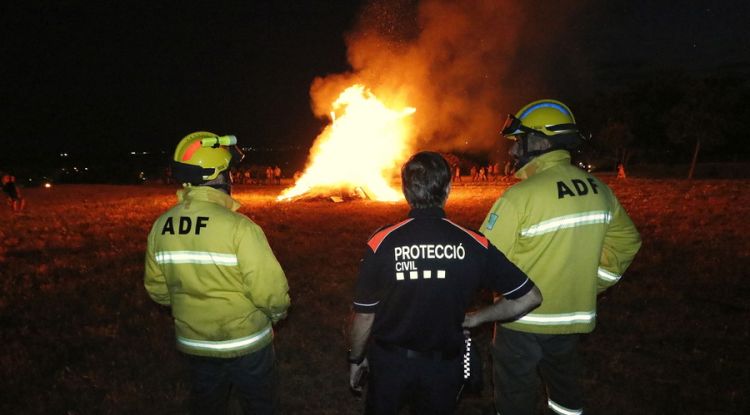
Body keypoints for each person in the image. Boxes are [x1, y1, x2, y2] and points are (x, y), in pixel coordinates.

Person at [348, 151, 542, 415]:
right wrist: (478, 318)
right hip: (443, 368)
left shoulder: (381, 242)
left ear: (406, 190)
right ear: (449, 188)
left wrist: (356, 358)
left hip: (390, 365)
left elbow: (365, 316)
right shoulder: (474, 243)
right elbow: (530, 296)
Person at [481, 100, 642, 415]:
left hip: (520, 320)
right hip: (571, 320)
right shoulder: (600, 190)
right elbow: (627, 242)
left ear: (541, 140)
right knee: (566, 396)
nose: (514, 153)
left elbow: (485, 259)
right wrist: (589, 284)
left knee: (515, 396)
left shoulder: (519, 197)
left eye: (519, 142)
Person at [144, 131, 290, 414]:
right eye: (228, 171)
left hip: (195, 343)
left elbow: (157, 289)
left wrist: (190, 308)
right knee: (261, 406)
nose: (232, 178)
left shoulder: (160, 226)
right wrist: (276, 315)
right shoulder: (240, 227)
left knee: (207, 406)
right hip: (247, 344)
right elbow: (270, 291)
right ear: (217, 175)